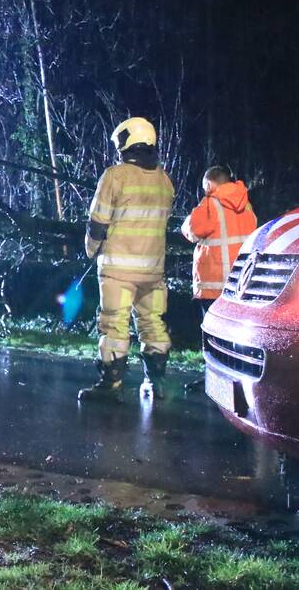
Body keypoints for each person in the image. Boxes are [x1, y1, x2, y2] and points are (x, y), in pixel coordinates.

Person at [78, 117, 175, 402]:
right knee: (152, 322)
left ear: (127, 142)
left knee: (114, 324)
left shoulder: (115, 176)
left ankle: (112, 385)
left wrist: (91, 249)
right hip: (153, 270)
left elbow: (98, 222)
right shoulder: (165, 180)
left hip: (118, 269)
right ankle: (156, 382)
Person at [181, 166, 257, 315]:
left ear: (209, 184)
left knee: (214, 334)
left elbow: (192, 230)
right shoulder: (246, 205)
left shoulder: (211, 204)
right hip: (242, 283)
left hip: (215, 288)